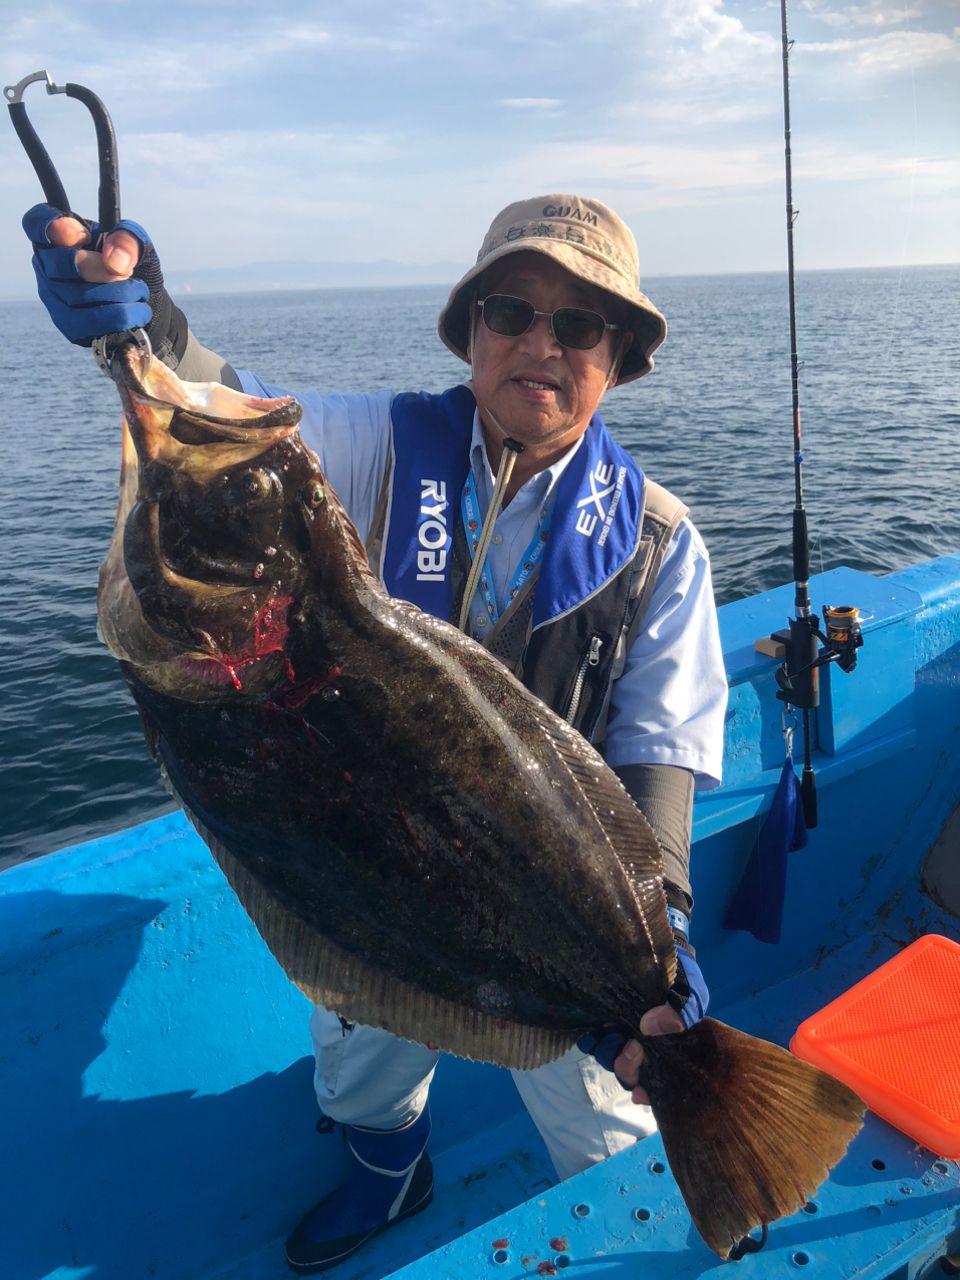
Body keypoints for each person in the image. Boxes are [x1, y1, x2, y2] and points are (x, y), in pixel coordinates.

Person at [24, 193, 728, 1275]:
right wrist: (147, 322)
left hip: (552, 882)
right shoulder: (375, 447)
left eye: (580, 326)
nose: (540, 341)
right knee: (359, 1061)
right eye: (512, 309)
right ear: (474, 333)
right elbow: (234, 413)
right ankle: (391, 1171)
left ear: (620, 359)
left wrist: (658, 923)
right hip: (365, 856)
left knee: (606, 1116)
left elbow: (663, 735)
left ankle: (637, 1237)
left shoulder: (659, 539)